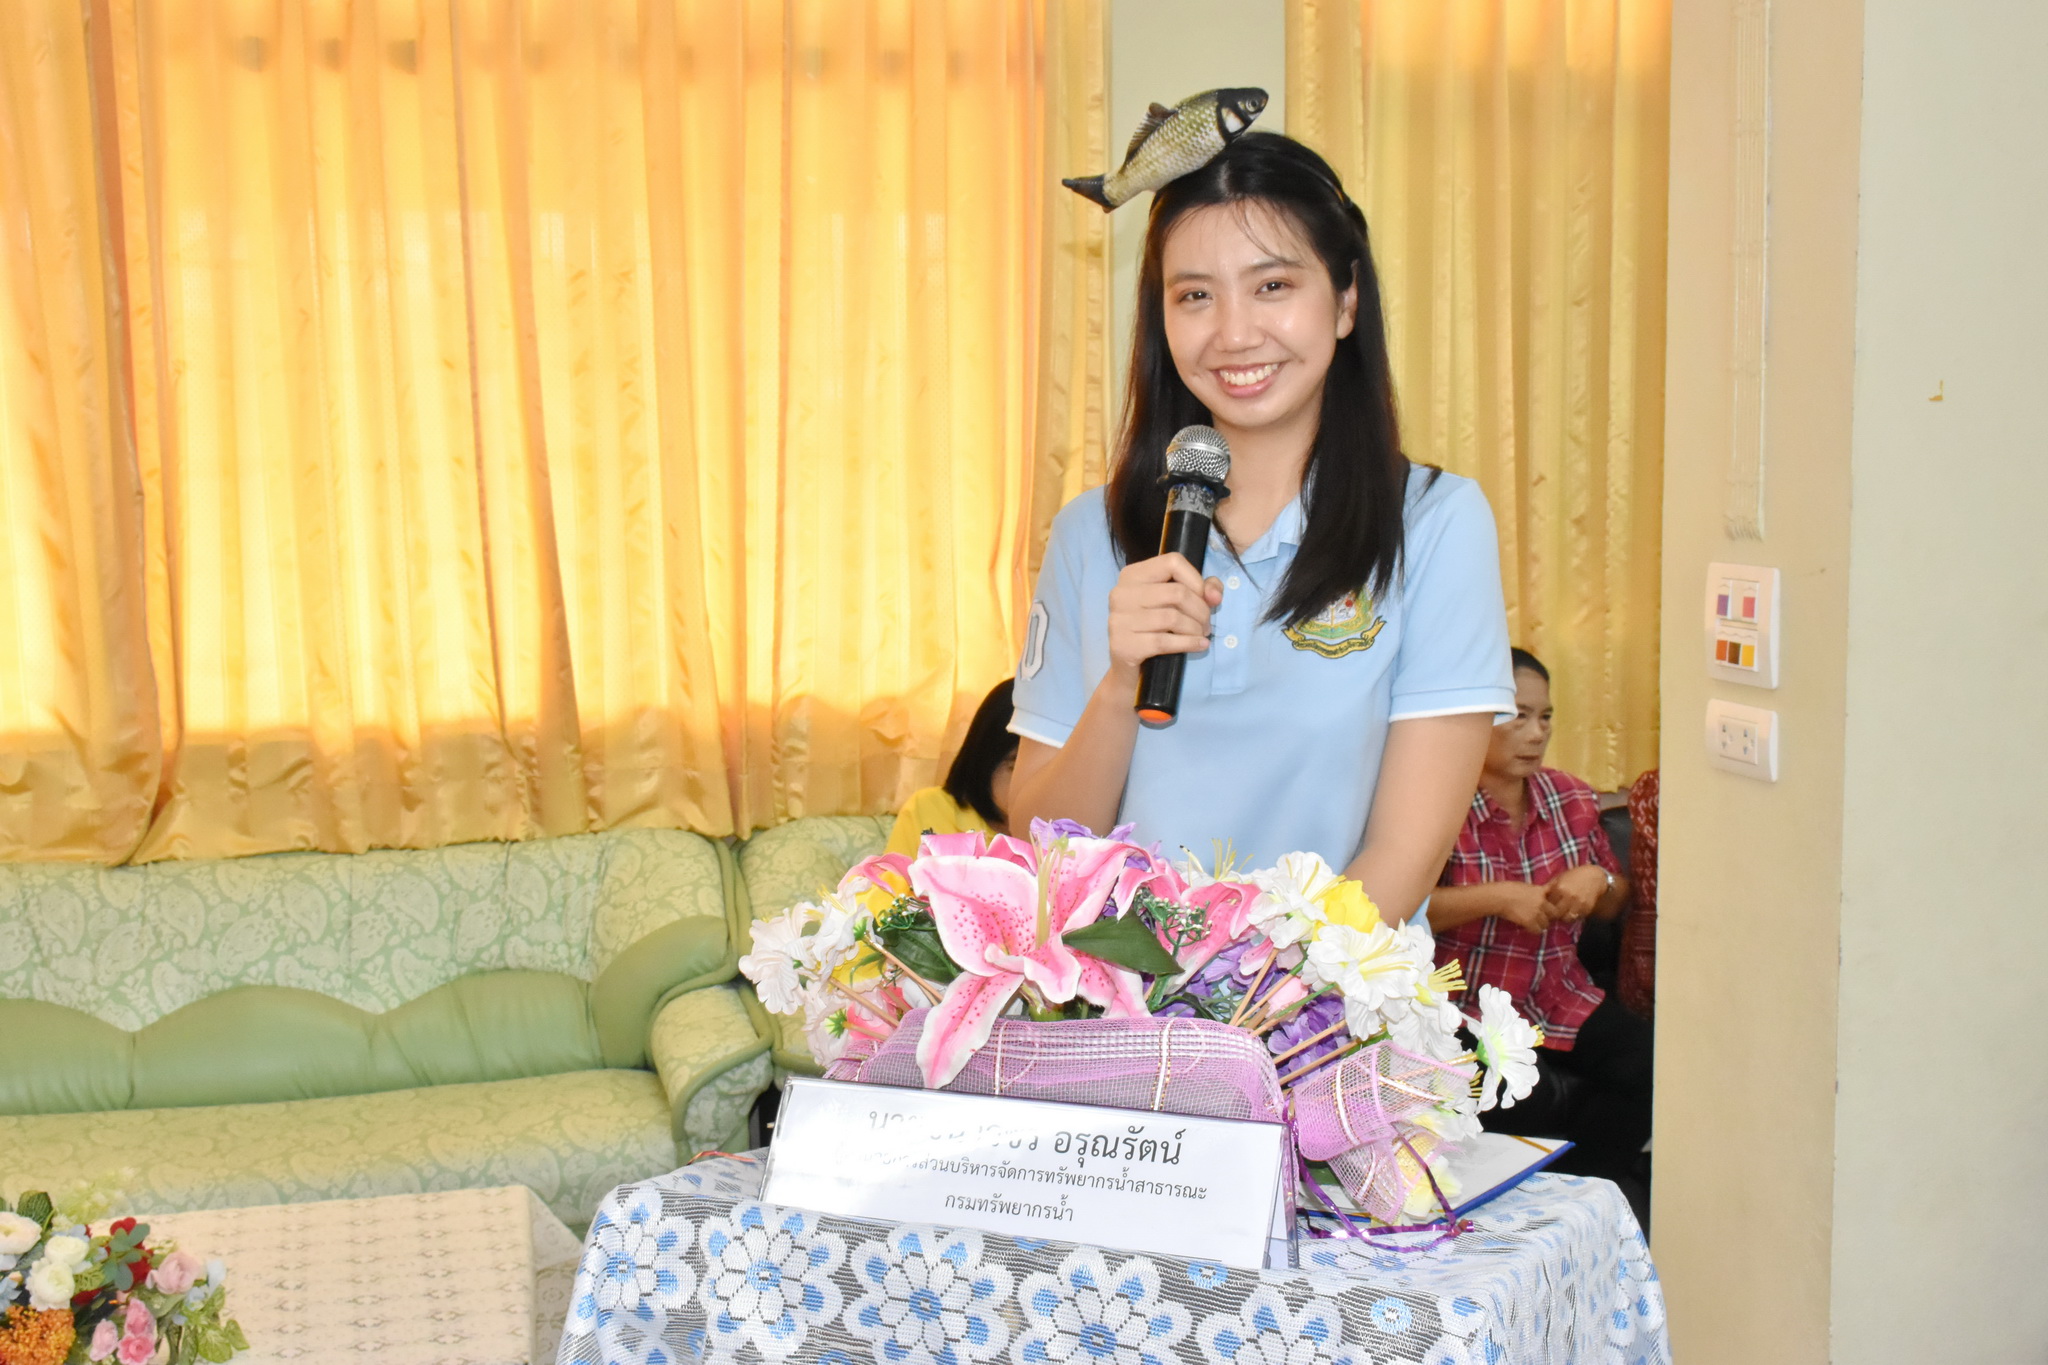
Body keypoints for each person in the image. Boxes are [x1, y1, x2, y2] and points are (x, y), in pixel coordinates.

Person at [1006, 132, 1514, 924]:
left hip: (1333, 995)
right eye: (1195, 296)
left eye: (1272, 285)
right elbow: (1044, 850)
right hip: (1123, 998)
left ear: (1345, 300)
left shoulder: (1434, 523)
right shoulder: (1089, 534)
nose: (1235, 333)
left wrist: (1242, 994)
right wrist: (1120, 684)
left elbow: (1402, 860)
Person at [1428, 647, 1654, 1213]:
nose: (1536, 733)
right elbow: (1402, 908)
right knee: (1515, 1098)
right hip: (1466, 1009)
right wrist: (1498, 898)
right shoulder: (1436, 803)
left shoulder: (1571, 797)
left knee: (1653, 1063)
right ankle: (1526, 1206)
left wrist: (1599, 879)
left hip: (1560, 994)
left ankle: (1575, 1203)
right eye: (1517, 716)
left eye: (1545, 716)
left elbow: (1615, 902)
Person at [886, 680, 1019, 855]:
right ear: (986, 757)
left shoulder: (1054, 832)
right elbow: (892, 873)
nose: (1035, 784)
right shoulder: (930, 809)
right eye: (1015, 766)